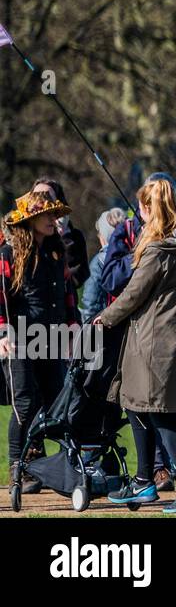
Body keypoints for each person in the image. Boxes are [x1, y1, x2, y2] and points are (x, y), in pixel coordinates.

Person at [98, 179, 176, 513]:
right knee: (136, 406)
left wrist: (105, 317)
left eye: (142, 209)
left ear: (149, 209)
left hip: (152, 342)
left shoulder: (158, 251)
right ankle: (144, 480)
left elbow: (133, 293)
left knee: (161, 416)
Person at [1, 191, 80, 494]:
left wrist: (72, 326)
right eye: (46, 215)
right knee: (25, 402)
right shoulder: (8, 255)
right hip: (20, 339)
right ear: (30, 220)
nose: (53, 220)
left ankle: (58, 466)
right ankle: (17, 466)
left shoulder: (56, 252)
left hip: (53, 337)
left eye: (54, 215)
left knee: (55, 400)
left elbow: (67, 293)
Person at [32, 178, 90, 293]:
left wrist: (67, 282)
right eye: (37, 197)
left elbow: (83, 271)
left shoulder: (74, 236)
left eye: (48, 197)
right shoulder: (25, 241)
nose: (43, 202)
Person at [80, 208, 126, 322]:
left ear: (103, 236)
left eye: (99, 233)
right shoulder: (132, 257)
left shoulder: (99, 262)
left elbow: (91, 303)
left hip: (105, 326)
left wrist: (88, 331)